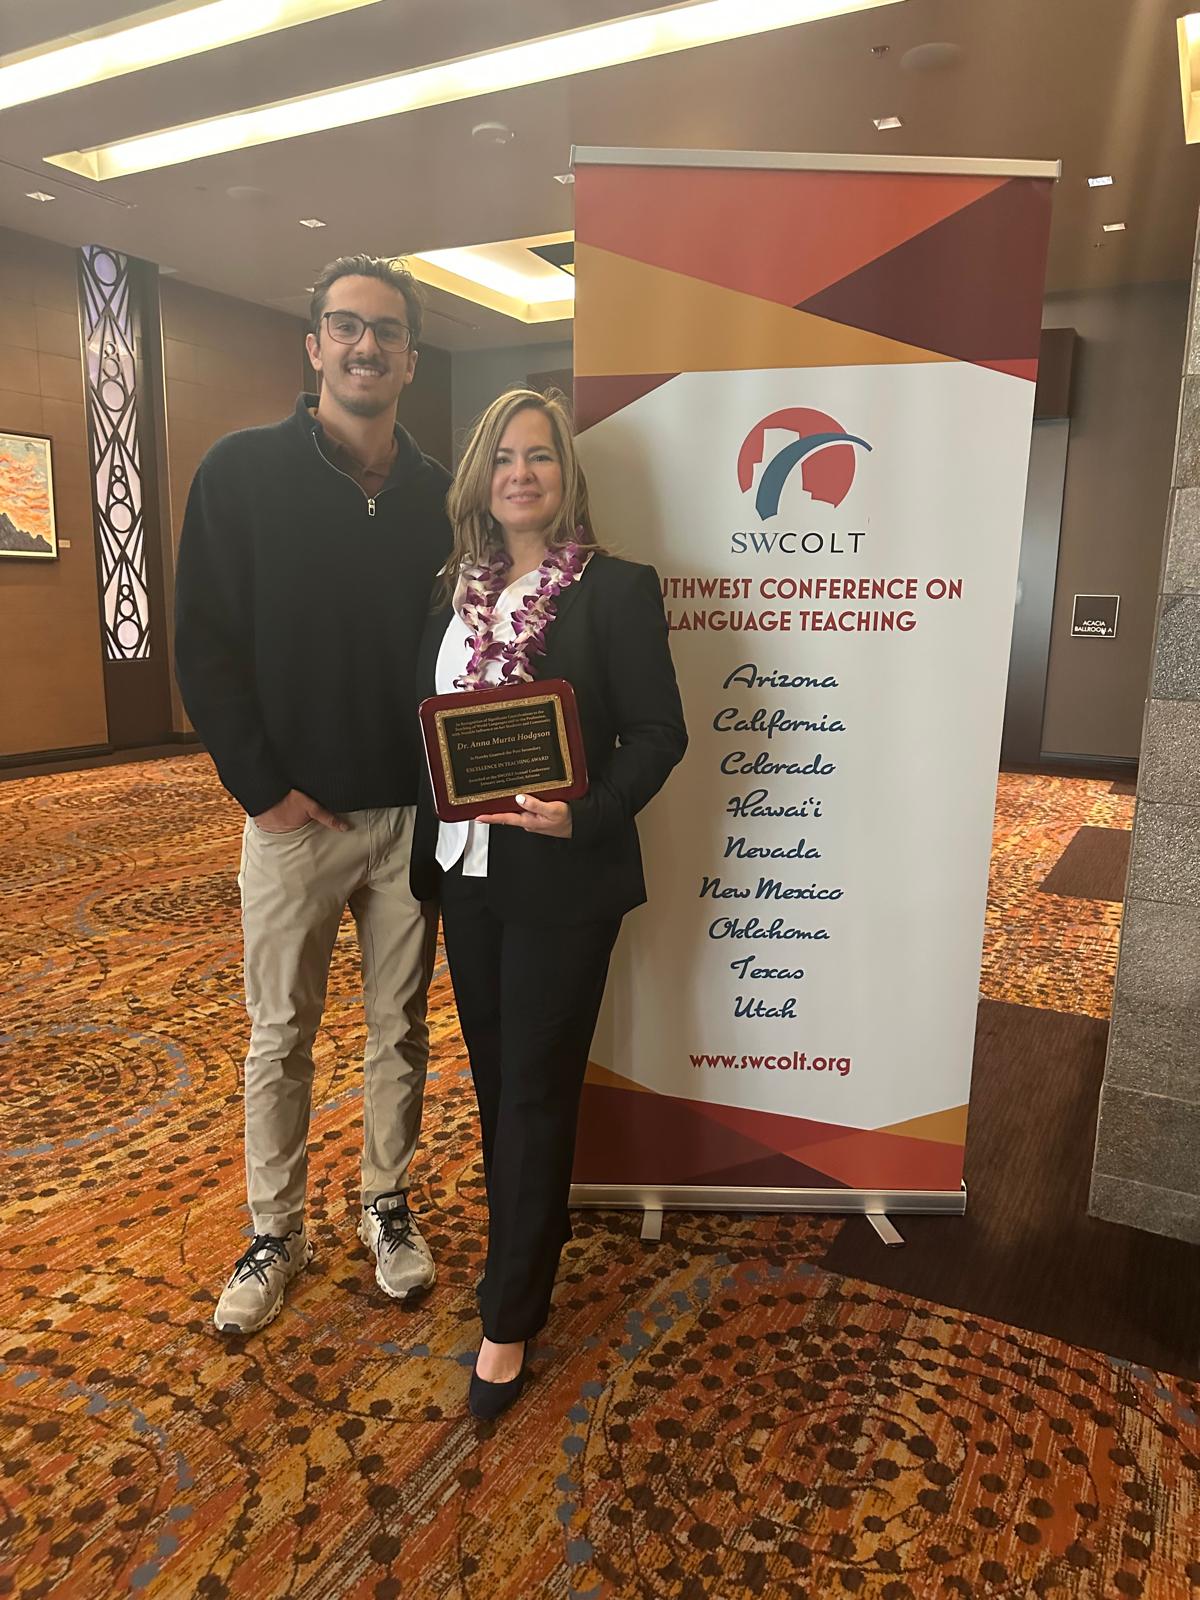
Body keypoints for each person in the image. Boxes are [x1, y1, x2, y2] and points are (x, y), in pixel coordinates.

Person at [174, 255, 452, 1336]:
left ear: (412, 358)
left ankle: (385, 1201)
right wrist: (262, 788)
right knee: (279, 1034)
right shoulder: (241, 474)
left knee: (400, 1030)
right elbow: (205, 645)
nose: (364, 346)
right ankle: (273, 1231)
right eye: (345, 326)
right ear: (314, 345)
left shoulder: (442, 494)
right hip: (292, 820)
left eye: (385, 332)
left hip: (410, 819)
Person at [411, 389, 687, 1418]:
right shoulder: (452, 592)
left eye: (539, 456)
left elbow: (659, 733)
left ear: (566, 476)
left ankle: (509, 1313)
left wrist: (588, 813)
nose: (520, 473)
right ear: (481, 479)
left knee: (531, 1091)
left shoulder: (614, 589)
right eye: (502, 457)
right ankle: (529, 1241)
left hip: (563, 882)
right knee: (500, 1088)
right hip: (465, 873)